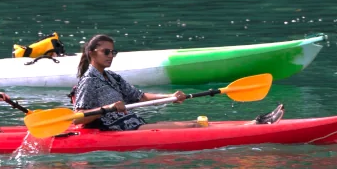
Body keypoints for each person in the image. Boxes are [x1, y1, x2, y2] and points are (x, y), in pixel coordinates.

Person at [71, 34, 283, 131]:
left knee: (197, 125)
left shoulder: (113, 77)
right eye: (106, 52)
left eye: (113, 52)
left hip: (133, 125)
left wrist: (170, 97)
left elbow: (140, 97)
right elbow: (79, 118)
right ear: (92, 53)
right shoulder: (88, 82)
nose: (111, 55)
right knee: (193, 125)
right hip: (118, 130)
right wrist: (107, 108)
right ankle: (256, 125)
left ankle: (254, 125)